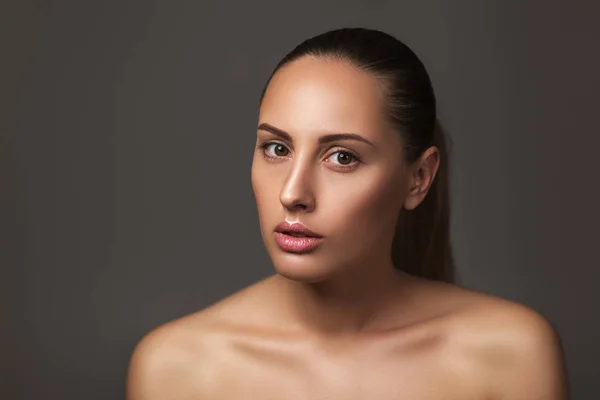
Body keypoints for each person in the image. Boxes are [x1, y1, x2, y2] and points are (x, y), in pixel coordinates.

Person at [126, 28, 569, 399]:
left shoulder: (510, 356)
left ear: (418, 178)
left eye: (342, 158)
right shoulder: (177, 369)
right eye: (276, 148)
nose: (293, 193)